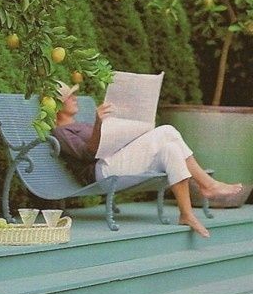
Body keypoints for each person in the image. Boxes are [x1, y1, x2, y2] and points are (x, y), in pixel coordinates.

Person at [52, 82, 243, 238]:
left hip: (114, 160)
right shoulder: (61, 132)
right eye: (69, 96)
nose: (74, 98)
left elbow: (104, 142)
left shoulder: (80, 125)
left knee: (171, 150)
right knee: (167, 131)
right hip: (100, 171)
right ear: (57, 105)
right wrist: (99, 124)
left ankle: (186, 214)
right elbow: (88, 154)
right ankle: (207, 184)